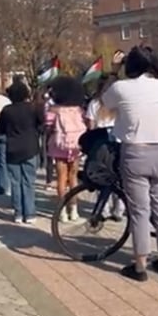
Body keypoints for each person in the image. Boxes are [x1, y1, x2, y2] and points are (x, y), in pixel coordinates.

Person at [102, 47, 158, 282]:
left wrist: (114, 72)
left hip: (135, 152)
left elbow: (104, 104)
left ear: (129, 66)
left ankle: (140, 265)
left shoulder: (121, 87)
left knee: (139, 212)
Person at [0, 81, 43, 224]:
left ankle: (18, 213)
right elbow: (41, 124)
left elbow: (1, 128)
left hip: (12, 148)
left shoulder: (6, 110)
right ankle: (29, 213)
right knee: (29, 182)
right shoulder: (33, 108)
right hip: (30, 147)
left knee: (15, 182)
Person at [45, 76, 87, 222]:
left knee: (61, 178)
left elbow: (48, 126)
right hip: (76, 145)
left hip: (59, 145)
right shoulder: (79, 110)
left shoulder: (54, 110)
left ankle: (62, 211)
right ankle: (74, 210)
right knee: (73, 177)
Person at [85, 76, 124, 221]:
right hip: (119, 143)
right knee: (120, 177)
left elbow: (90, 126)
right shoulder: (121, 104)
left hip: (100, 144)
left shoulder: (94, 104)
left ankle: (104, 208)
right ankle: (119, 209)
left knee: (102, 175)